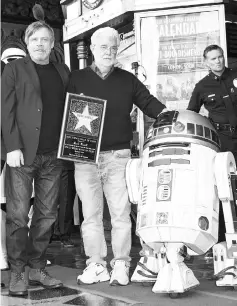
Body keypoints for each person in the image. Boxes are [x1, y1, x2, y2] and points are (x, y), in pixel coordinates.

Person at [67, 27, 166, 286]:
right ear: (92, 49)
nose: (109, 52)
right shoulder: (75, 78)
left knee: (120, 214)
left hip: (118, 155)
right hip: (85, 157)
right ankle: (96, 265)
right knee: (91, 215)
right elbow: (63, 115)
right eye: (103, 47)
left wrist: (171, 116)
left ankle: (121, 263)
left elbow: (149, 103)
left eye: (113, 48)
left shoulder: (127, 80)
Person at [1, 20, 70, 296]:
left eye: (45, 40)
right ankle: (18, 271)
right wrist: (12, 147)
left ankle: (38, 267)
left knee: (47, 215)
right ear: (27, 44)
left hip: (54, 155)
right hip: (23, 154)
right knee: (18, 215)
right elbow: (5, 111)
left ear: (53, 45)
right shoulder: (14, 70)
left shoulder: (62, 71)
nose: (40, 44)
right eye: (35, 40)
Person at [187, 44, 237, 245]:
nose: (218, 61)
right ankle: (226, 236)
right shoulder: (202, 86)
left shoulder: (235, 75)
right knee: (226, 185)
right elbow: (192, 113)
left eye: (220, 57)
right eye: (213, 59)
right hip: (223, 140)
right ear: (206, 62)